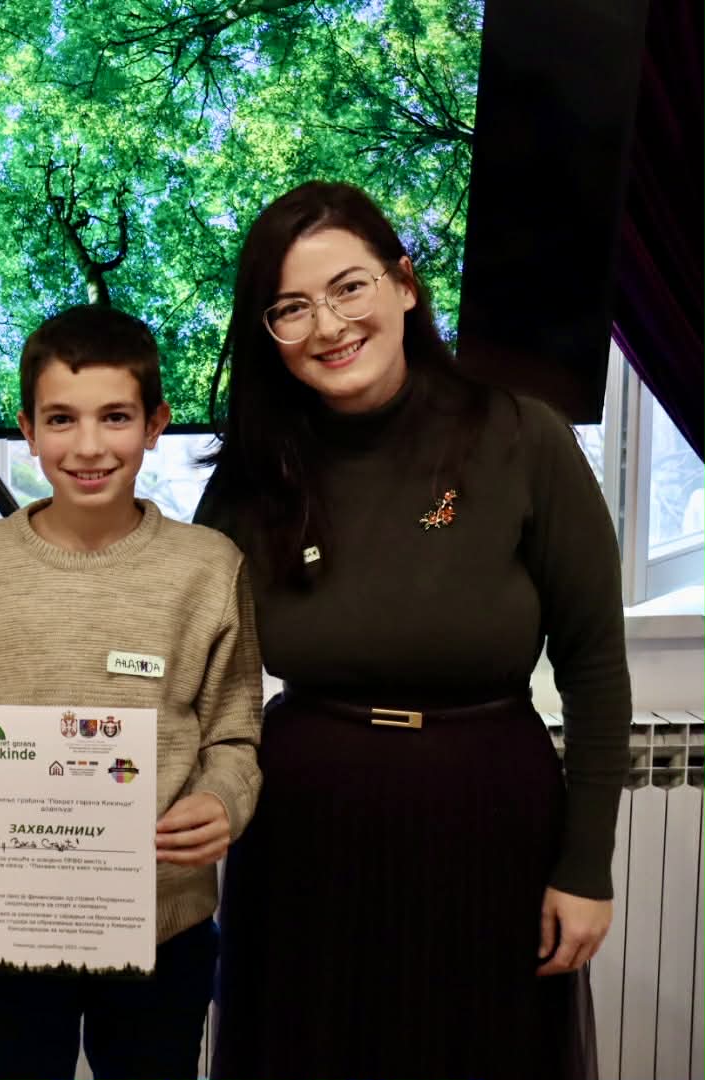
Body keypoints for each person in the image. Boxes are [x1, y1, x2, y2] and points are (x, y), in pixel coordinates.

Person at [194, 180, 629, 1079]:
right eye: (291, 307)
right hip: (304, 840)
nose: (328, 325)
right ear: (268, 332)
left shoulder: (521, 435)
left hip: (492, 829)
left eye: (349, 287)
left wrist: (587, 867)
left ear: (403, 284)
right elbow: (171, 625)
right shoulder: (253, 472)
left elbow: (594, 667)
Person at [0, 304, 264, 1080]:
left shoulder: (210, 567)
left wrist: (222, 802)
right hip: (17, 921)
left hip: (164, 927)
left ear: (155, 424)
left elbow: (234, 735)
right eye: (62, 419)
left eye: (116, 417)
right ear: (28, 430)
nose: (90, 445)